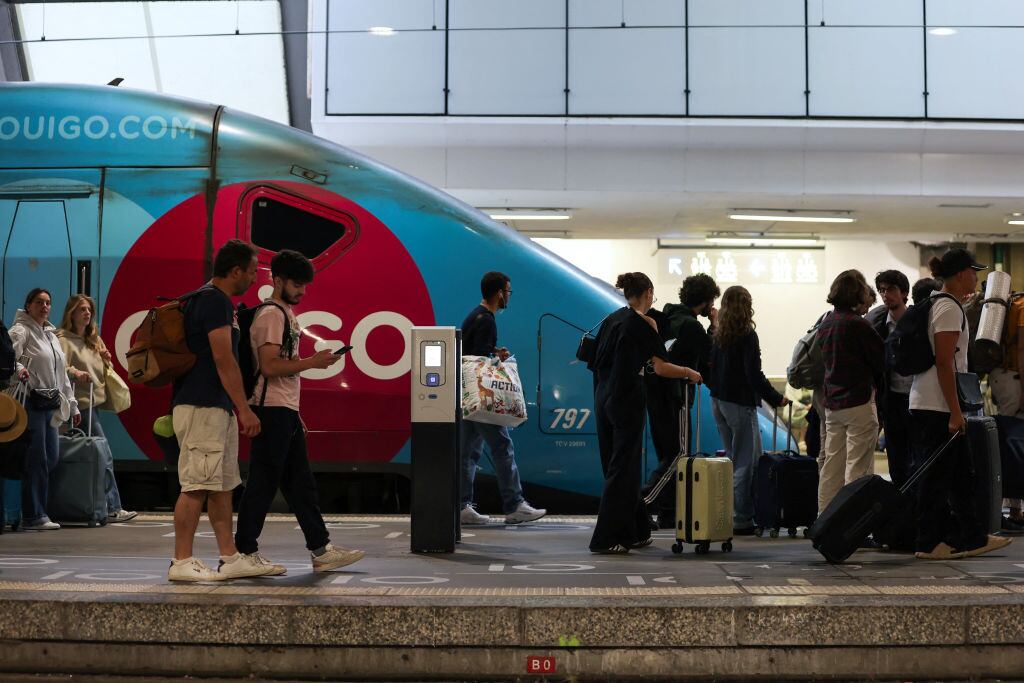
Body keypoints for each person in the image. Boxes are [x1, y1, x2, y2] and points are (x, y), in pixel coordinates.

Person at [234, 250, 365, 573]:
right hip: (271, 411)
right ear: (277, 281)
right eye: (297, 284)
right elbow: (269, 365)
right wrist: (313, 362)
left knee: (300, 484)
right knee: (264, 483)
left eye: (305, 285)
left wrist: (295, 413)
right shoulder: (271, 316)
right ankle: (245, 551)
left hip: (284, 411)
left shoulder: (285, 315)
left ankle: (320, 549)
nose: (302, 291)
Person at [168, 239, 269, 582]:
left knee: (222, 485)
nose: (255, 278)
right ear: (236, 270)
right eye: (253, 271)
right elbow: (223, 358)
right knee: (196, 484)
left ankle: (229, 556)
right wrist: (245, 408)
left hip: (215, 406)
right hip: (203, 406)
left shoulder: (213, 300)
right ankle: (182, 561)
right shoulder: (215, 302)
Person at [587, 272, 702, 553]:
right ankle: (606, 538)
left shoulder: (611, 319)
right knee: (623, 469)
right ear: (648, 293)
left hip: (602, 396)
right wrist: (690, 372)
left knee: (616, 466)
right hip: (626, 399)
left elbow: (592, 361)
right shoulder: (644, 323)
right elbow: (661, 368)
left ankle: (637, 529)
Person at [910, 248, 1010, 560]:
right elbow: (943, 363)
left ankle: (971, 536)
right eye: (973, 271)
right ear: (959, 275)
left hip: (933, 403)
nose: (977, 277)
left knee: (958, 476)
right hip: (937, 406)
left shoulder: (944, 304)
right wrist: (955, 412)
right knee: (939, 479)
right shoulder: (948, 309)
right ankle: (928, 543)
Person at [459, 271, 546, 526]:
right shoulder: (486, 319)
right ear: (499, 293)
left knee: (468, 452)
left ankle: (462, 506)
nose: (509, 296)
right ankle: (515, 505)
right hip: (482, 398)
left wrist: (494, 352)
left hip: (467, 397)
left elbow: (475, 352)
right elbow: (480, 363)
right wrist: (499, 360)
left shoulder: (475, 315)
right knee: (502, 448)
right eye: (508, 291)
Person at [707, 286, 788, 536]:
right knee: (745, 463)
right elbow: (753, 374)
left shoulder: (719, 334)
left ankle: (729, 513)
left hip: (718, 402)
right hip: (739, 404)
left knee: (733, 460)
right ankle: (741, 519)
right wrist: (776, 398)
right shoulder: (747, 335)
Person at [643, 273, 720, 529]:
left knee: (667, 454)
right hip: (676, 398)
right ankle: (640, 503)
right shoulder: (692, 326)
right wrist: (715, 323)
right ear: (708, 302)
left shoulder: (667, 318)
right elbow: (712, 356)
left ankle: (668, 512)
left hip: (655, 396)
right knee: (678, 455)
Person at [56, 294, 137, 523]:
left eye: (89, 309)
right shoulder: (63, 340)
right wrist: (75, 373)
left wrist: (106, 359)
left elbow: (103, 370)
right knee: (103, 455)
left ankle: (104, 506)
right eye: (82, 309)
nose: (87, 313)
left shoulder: (94, 339)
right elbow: (60, 366)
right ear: (71, 313)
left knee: (98, 455)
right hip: (77, 406)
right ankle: (112, 506)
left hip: (93, 404)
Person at [9, 288, 80, 531]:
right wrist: (19, 370)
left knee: (50, 456)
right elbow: (8, 357)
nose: (45, 306)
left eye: (48, 302)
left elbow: (61, 375)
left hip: (50, 402)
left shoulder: (50, 335)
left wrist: (72, 404)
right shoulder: (20, 331)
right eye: (39, 302)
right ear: (28, 306)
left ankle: (35, 509)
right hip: (30, 402)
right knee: (36, 459)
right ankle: (34, 515)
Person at [817, 270, 884, 513]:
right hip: (859, 401)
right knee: (858, 468)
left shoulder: (826, 323)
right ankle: (853, 525)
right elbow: (880, 362)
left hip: (833, 404)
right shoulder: (859, 325)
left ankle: (824, 520)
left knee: (831, 467)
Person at [870, 271, 914, 490]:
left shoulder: (916, 323)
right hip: (892, 398)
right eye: (882, 290)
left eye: (891, 289)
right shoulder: (878, 326)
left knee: (916, 454)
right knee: (895, 454)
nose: (886, 295)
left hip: (917, 397)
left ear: (904, 293)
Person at [987, 290, 1024, 533]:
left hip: (1003, 377)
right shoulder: (1022, 307)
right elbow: (1022, 350)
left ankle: (1014, 509)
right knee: (1014, 445)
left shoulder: (1016, 303)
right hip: (1014, 379)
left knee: (1010, 443)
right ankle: (1012, 510)